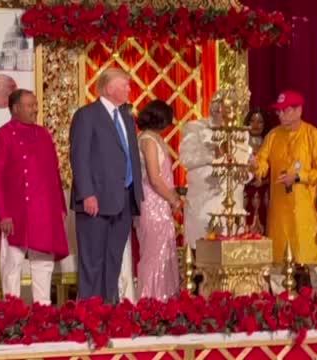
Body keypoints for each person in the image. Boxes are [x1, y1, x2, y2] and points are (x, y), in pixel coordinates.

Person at [0, 89, 69, 305]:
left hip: (44, 211)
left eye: (35, 104)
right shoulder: (1, 137)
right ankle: (12, 312)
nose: (35, 109)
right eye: (30, 105)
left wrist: (60, 206)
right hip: (16, 213)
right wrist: (3, 214)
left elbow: (54, 174)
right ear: (15, 108)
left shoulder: (43, 134)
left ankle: (42, 311)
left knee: (43, 263)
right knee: (12, 263)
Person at [69, 68, 144, 302]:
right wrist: (87, 193)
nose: (130, 89)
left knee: (113, 260)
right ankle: (90, 313)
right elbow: (79, 157)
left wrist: (137, 194)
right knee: (92, 260)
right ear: (110, 87)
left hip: (123, 199)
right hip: (96, 200)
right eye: (126, 85)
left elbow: (129, 155)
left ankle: (109, 310)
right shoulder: (87, 115)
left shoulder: (126, 118)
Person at [252, 90, 317, 288]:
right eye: (278, 112)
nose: (280, 115)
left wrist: (298, 176)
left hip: (305, 210)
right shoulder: (273, 135)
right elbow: (262, 163)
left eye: (284, 111)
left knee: (313, 261)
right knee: (277, 262)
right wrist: (254, 166)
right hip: (280, 211)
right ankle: (280, 306)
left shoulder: (313, 135)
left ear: (298, 110)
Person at [180, 90, 250, 250]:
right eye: (221, 106)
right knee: (202, 255)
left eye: (231, 107)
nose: (225, 111)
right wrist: (215, 154)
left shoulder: (240, 133)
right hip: (203, 203)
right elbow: (186, 158)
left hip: (233, 206)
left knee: (232, 255)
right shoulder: (195, 128)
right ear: (214, 107)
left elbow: (244, 166)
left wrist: (247, 172)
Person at [135, 99, 181, 300]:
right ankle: (151, 301)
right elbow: (154, 178)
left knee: (164, 253)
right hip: (152, 204)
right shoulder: (148, 140)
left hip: (159, 203)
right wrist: (173, 198)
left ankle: (164, 300)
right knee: (154, 255)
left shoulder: (151, 138)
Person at [243, 108, 269, 234]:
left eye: (260, 122)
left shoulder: (269, 143)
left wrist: (263, 182)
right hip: (245, 193)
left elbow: (274, 170)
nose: (255, 125)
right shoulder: (241, 144)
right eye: (252, 121)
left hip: (265, 193)